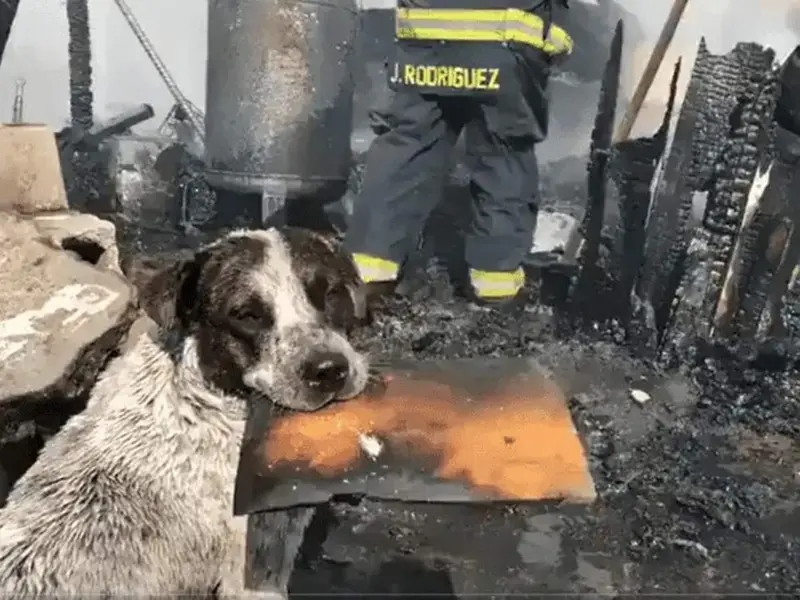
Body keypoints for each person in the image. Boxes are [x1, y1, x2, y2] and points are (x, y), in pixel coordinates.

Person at [344, 0, 573, 305]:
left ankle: (367, 273)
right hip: (505, 42)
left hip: (422, 39)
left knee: (406, 150)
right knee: (503, 155)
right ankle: (495, 287)